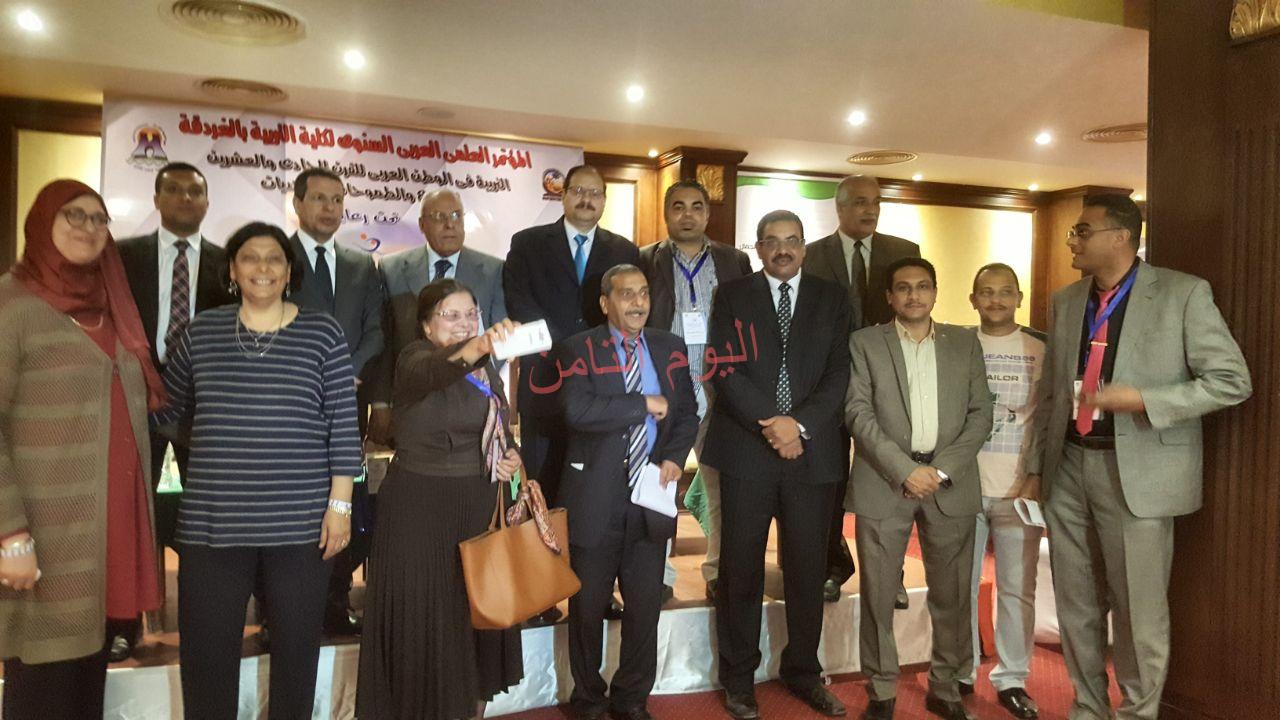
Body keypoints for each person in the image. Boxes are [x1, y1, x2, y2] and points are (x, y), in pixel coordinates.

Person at [1025, 195, 1251, 720]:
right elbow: (1054, 393)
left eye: (1083, 231)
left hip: (1138, 473)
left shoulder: (1183, 293)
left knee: (1138, 609)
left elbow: (1231, 381)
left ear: (1121, 237)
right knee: (1076, 604)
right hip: (1068, 466)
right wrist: (1037, 468)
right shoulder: (1066, 300)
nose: (1072, 241)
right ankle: (1087, 708)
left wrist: (1145, 399)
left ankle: (1137, 713)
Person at [153, 222, 362, 720]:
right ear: (232, 269)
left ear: (289, 272)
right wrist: (218, 442)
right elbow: (165, 410)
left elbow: (343, 424)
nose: (262, 268)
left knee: (296, 655)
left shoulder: (322, 333)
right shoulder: (201, 332)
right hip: (213, 523)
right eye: (250, 257)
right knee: (206, 659)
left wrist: (339, 506)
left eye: (274, 258)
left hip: (301, 525)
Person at [0, 179, 166, 719]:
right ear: (41, 222)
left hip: (105, 536)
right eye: (74, 214)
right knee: (42, 683)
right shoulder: (12, 304)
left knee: (86, 684)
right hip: (44, 535)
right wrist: (10, 533)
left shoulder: (111, 301)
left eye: (99, 219)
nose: (89, 227)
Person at [704, 210, 850, 720]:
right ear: (759, 248)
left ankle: (803, 671)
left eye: (792, 240)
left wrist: (798, 426)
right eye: (772, 241)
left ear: (804, 247)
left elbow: (839, 372)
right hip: (747, 449)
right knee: (739, 570)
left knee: (808, 570)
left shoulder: (833, 297)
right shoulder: (732, 295)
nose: (782, 249)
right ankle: (738, 678)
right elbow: (723, 366)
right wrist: (773, 425)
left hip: (812, 452)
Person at [357, 279, 523, 720]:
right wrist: (480, 344)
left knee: (472, 616)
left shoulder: (485, 369)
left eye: (471, 314)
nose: (464, 323)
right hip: (419, 512)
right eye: (451, 316)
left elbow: (499, 426)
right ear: (427, 326)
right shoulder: (413, 359)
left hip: (476, 507)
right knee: (424, 619)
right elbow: (437, 372)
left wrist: (509, 455)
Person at [845, 257, 993, 720]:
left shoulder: (964, 342)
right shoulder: (865, 343)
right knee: (878, 594)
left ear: (935, 292)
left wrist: (940, 470)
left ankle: (945, 685)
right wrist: (905, 470)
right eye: (904, 288)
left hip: (950, 485)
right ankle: (882, 688)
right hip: (884, 482)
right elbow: (858, 413)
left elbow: (981, 415)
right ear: (890, 297)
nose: (914, 295)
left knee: (953, 594)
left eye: (923, 286)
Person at [557, 264, 699, 720]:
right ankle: (588, 698)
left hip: (650, 497)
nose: (638, 303)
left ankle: (632, 697)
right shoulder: (579, 349)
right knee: (587, 608)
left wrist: (674, 456)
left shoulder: (669, 347)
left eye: (643, 294)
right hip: (595, 497)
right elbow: (578, 410)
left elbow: (688, 414)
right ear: (605, 303)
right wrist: (642, 404)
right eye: (626, 294)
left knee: (644, 608)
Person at [503, 163, 637, 625]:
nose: (586, 200)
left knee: (596, 494)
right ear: (563, 195)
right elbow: (519, 302)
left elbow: (623, 308)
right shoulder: (528, 243)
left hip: (601, 390)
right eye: (578, 190)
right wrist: (569, 349)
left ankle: (593, 592)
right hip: (545, 383)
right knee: (541, 488)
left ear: (604, 201)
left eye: (595, 193)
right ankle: (540, 594)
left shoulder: (623, 250)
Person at [114, 161, 234, 661]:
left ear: (207, 203)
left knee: (208, 516)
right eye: (175, 190)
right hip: (135, 398)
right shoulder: (123, 257)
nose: (185, 198)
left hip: (202, 406)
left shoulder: (228, 263)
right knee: (127, 510)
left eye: (195, 192)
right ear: (157, 199)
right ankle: (122, 624)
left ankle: (211, 620)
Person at [804, 175, 920, 603]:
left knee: (889, 476)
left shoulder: (903, 252)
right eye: (859, 202)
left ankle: (892, 573)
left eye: (875, 202)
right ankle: (829, 567)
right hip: (827, 385)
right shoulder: (813, 255)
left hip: (886, 384)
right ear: (839, 207)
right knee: (829, 482)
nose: (869, 210)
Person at [638, 179, 752, 604]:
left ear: (707, 213)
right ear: (666, 213)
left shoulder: (734, 260)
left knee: (721, 486)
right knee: (658, 485)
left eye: (696, 206)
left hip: (719, 386)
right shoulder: (644, 259)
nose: (687, 214)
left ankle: (719, 570)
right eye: (678, 206)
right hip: (665, 387)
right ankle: (657, 573)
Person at [287, 167, 385, 636]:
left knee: (345, 501)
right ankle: (280, 609)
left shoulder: (361, 264)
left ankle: (336, 600)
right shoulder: (276, 257)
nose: (330, 208)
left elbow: (375, 330)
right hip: (292, 405)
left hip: (347, 399)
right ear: (298, 204)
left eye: (337, 199)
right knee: (295, 504)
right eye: (319, 198)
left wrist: (347, 373)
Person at [965, 263, 1045, 719]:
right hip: (963, 487)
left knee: (1017, 589)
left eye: (1005, 292)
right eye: (986, 292)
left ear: (1019, 297)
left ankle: (1012, 678)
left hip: (1019, 489)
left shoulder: (1040, 349)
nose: (996, 300)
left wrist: (1037, 475)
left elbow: (1049, 418)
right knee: (959, 586)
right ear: (972, 299)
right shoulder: (958, 345)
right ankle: (958, 671)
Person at [368, 189, 507, 446]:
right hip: (412, 400)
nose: (449, 224)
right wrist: (380, 403)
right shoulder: (392, 269)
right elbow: (384, 341)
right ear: (422, 224)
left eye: (456, 216)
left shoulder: (493, 270)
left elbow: (497, 339)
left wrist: (481, 387)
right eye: (439, 216)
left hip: (470, 399)